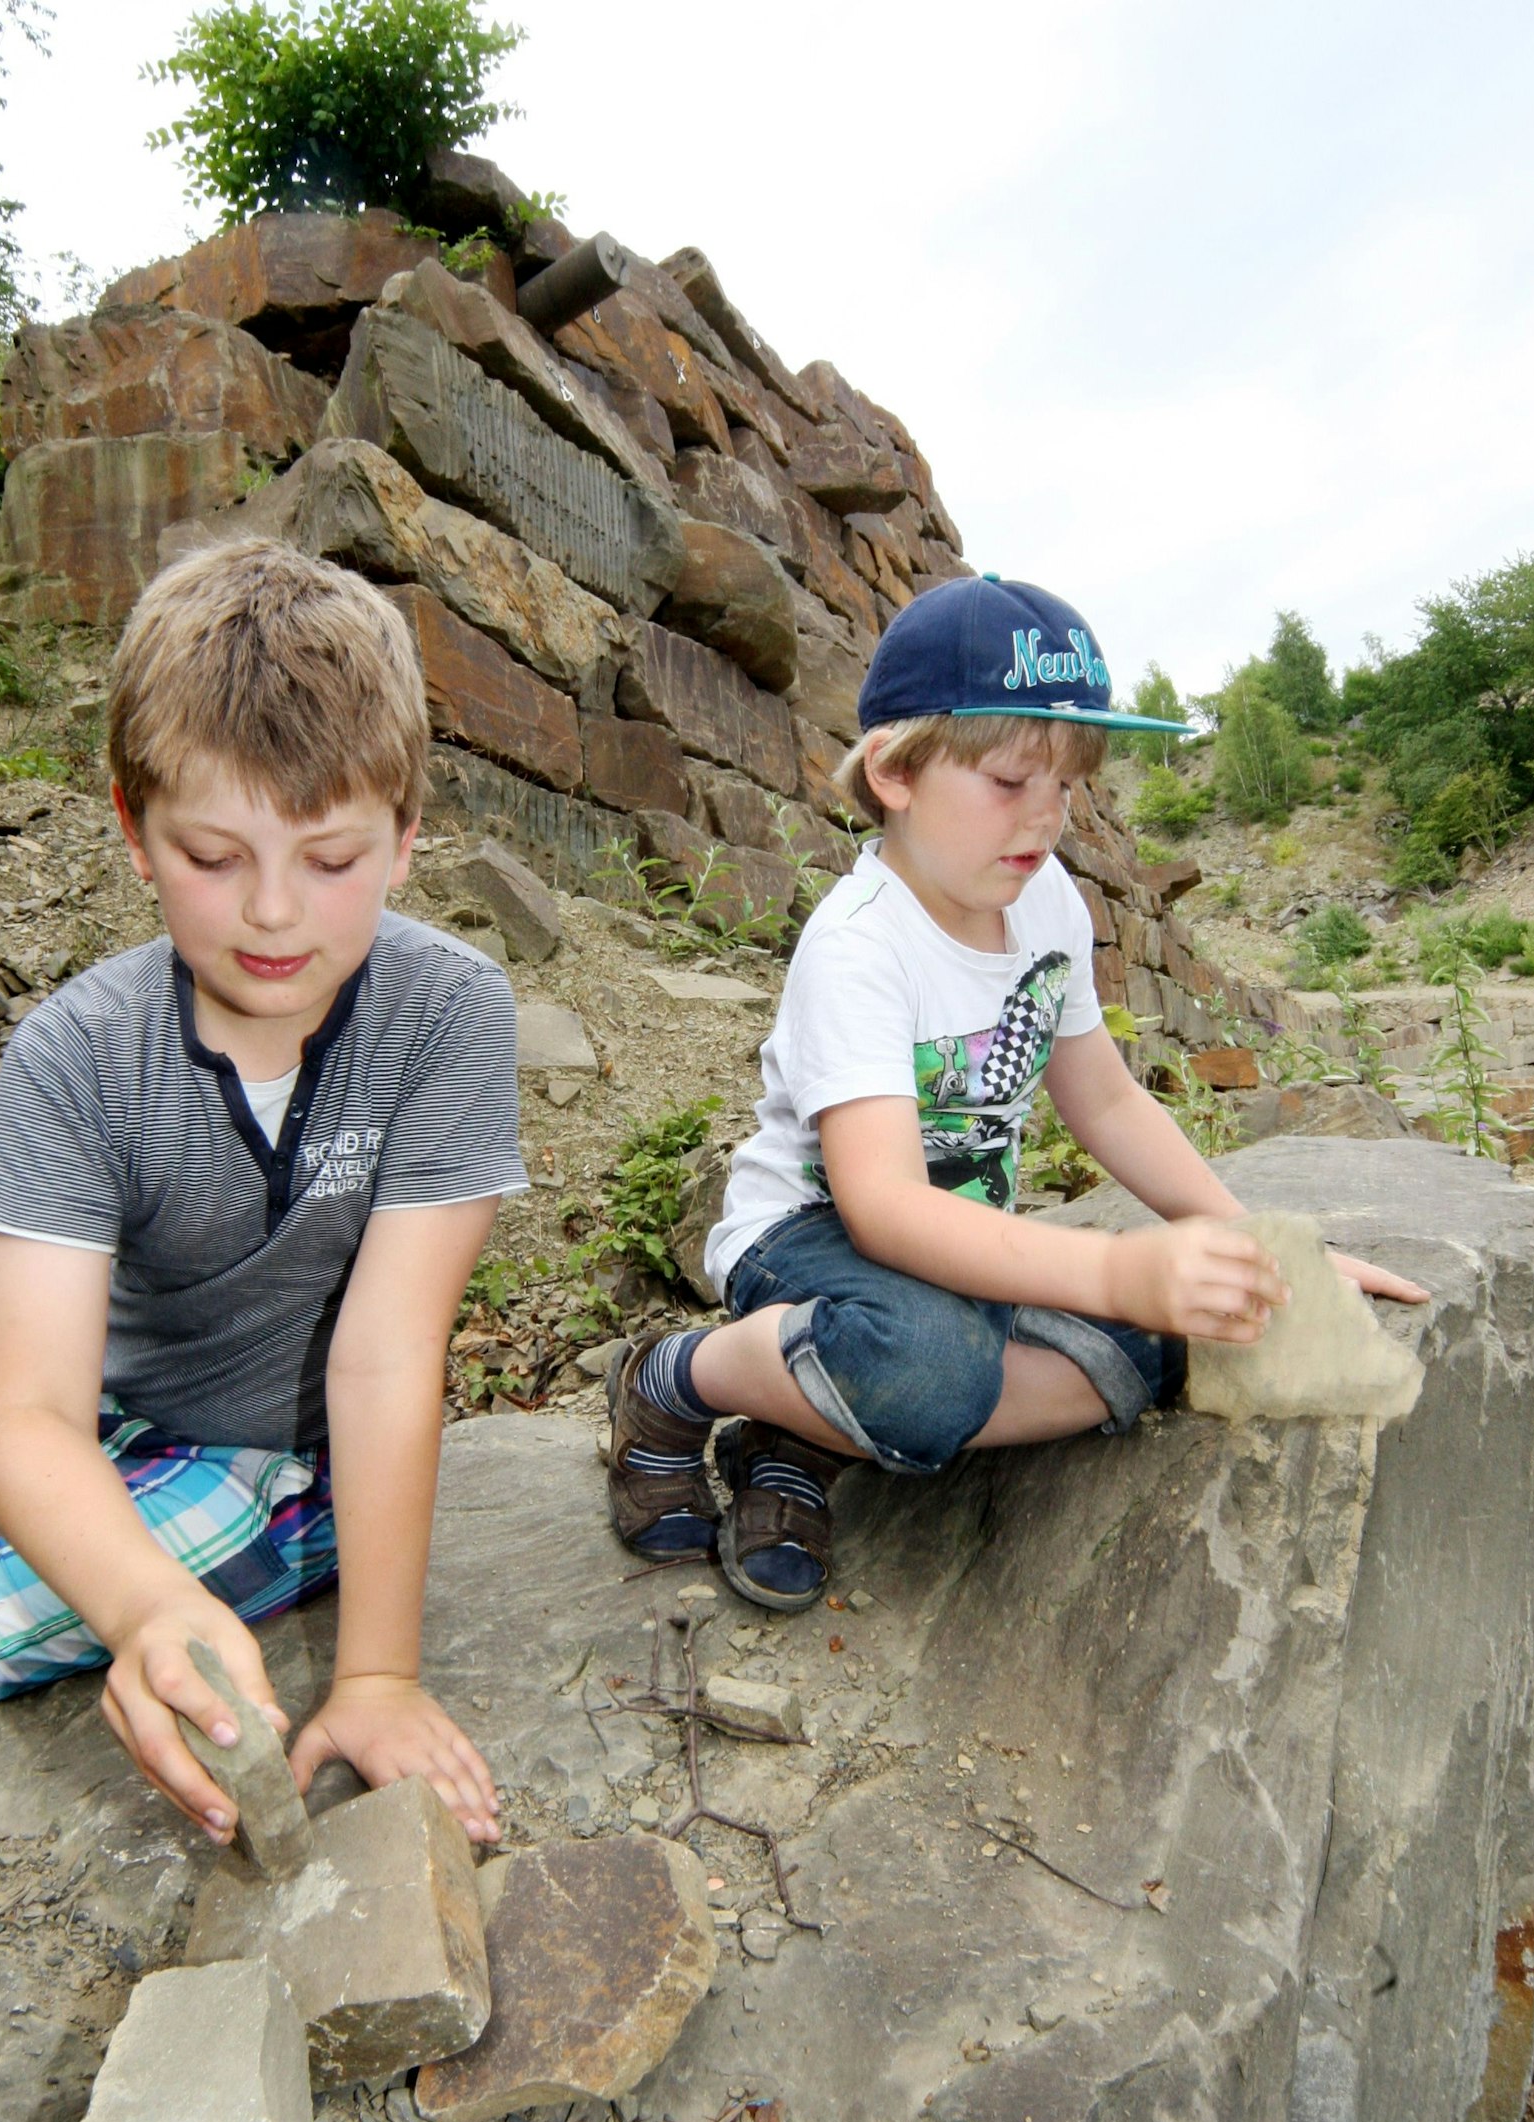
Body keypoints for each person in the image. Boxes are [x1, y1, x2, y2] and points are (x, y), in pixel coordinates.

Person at [0, 541, 522, 1846]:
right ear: (133, 831)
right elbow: (29, 1412)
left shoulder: (448, 1012)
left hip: (285, 1453)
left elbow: (387, 1352)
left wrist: (377, 1672)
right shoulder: (74, 1055)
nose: (276, 912)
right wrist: (144, 1603)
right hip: (107, 1429)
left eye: (332, 858)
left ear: (407, 839)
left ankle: (273, 1564)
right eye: (215, 854)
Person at [604, 574, 1426, 1609]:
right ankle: (672, 1382)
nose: (1044, 817)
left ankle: (798, 1432)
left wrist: (1266, 1251)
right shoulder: (859, 946)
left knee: (1177, 1338)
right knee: (933, 1368)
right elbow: (883, 1206)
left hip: (946, 1258)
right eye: (1007, 781)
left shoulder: (1045, 904)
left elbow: (1107, 1101)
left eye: (1067, 787)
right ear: (897, 772)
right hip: (809, 1237)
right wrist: (1118, 1275)